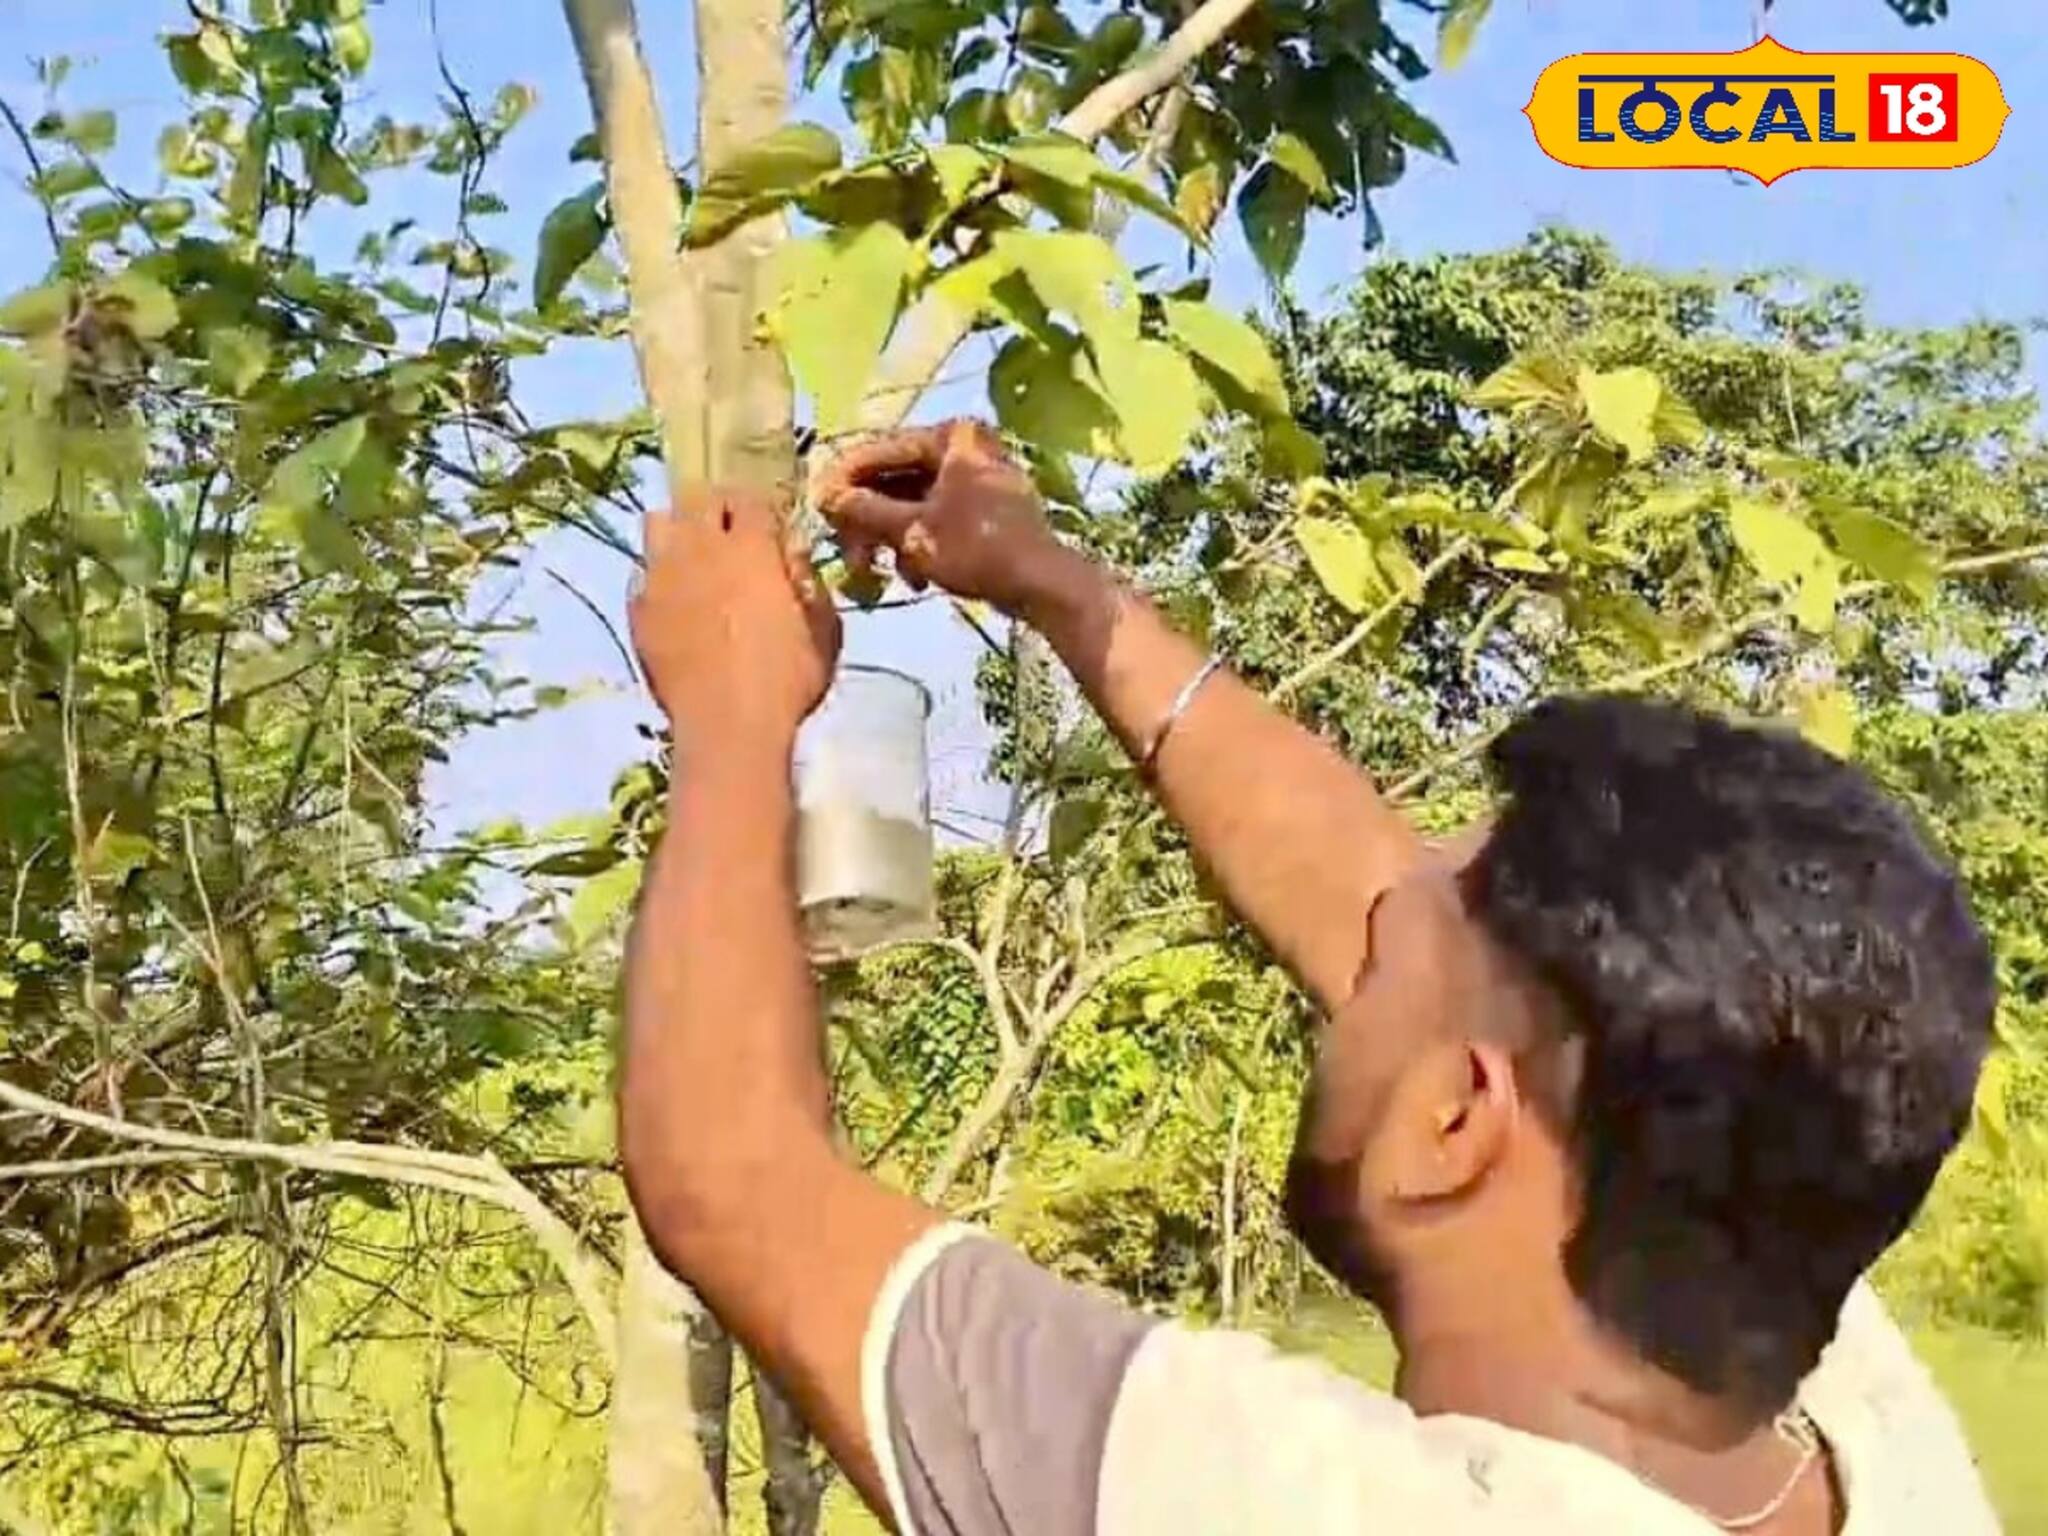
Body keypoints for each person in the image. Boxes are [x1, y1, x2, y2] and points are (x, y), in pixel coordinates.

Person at [619, 420, 2001, 1535]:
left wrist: (733, 703)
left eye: (1389, 954)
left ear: (1454, 1123)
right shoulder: (1856, 1408)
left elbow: (731, 1173)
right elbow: (1375, 897)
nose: (1359, 934)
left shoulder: (1292, 1501)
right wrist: (1054, 581)